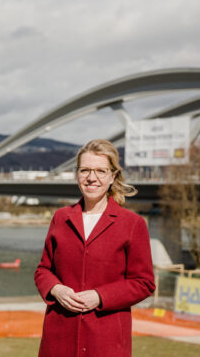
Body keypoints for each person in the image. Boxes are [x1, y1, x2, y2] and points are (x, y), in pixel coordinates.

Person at [34, 139, 155, 357]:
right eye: (85, 170)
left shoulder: (132, 224)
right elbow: (43, 270)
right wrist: (56, 289)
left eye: (100, 171)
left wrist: (100, 296)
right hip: (59, 340)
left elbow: (144, 283)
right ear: (77, 174)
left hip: (106, 343)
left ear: (112, 176)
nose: (92, 178)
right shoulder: (61, 218)